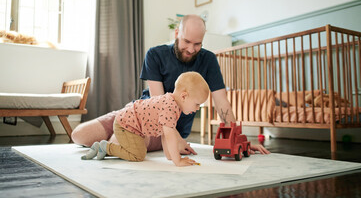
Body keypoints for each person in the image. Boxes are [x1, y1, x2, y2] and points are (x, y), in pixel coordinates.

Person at [72, 14, 270, 155]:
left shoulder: (208, 60)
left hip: (166, 128)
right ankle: (116, 142)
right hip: (141, 113)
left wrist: (235, 137)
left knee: (117, 142)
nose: (191, 49)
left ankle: (114, 145)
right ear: (177, 33)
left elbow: (222, 102)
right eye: (187, 41)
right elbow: (158, 103)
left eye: (197, 44)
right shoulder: (155, 54)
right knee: (79, 135)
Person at [81, 72, 209, 167]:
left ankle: (107, 147)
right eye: (197, 104)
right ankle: (106, 147)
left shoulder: (172, 103)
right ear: (184, 96)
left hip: (131, 123)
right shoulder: (170, 107)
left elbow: (165, 134)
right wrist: (178, 160)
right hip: (127, 124)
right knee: (138, 155)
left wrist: (170, 156)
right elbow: (170, 136)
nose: (197, 108)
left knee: (139, 150)